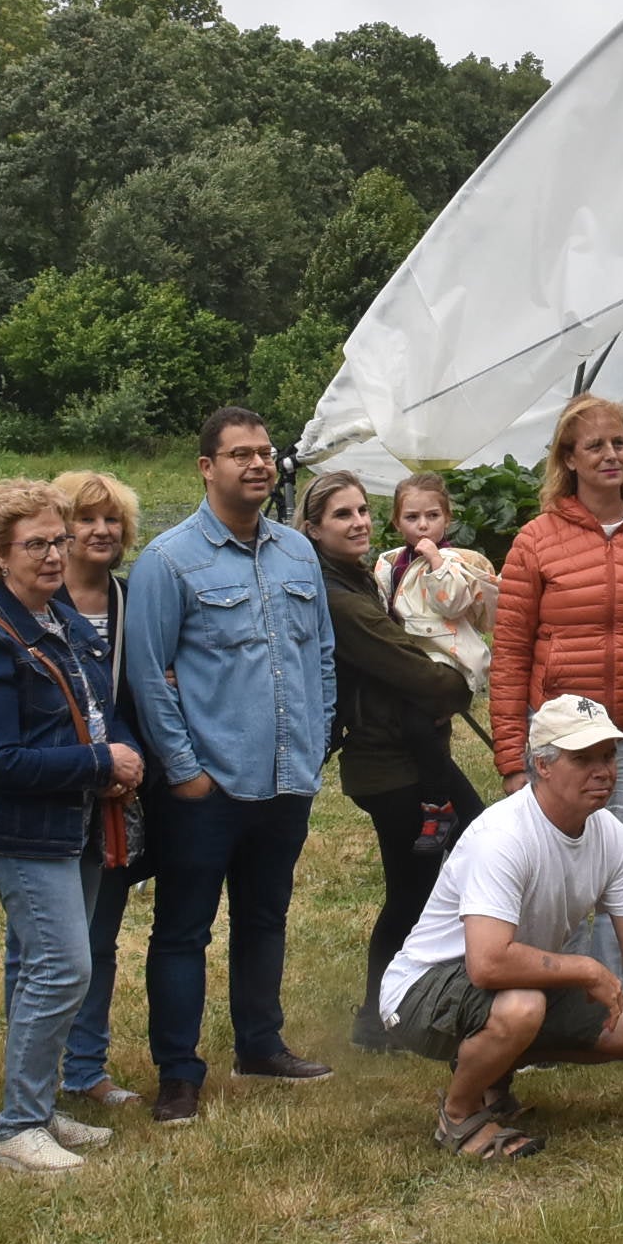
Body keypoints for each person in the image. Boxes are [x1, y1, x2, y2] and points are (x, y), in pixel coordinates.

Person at [126, 406, 339, 1126]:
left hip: (287, 777)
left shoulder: (297, 553)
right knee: (184, 929)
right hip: (206, 784)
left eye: (265, 453)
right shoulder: (168, 560)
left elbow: (322, 655)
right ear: (206, 467)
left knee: (265, 917)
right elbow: (149, 676)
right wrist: (184, 768)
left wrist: (315, 738)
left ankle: (262, 1045)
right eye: (240, 454)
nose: (257, 464)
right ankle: (179, 1074)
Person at [378, 695, 623, 1158]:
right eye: (583, 758)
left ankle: (489, 1070)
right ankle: (458, 1115)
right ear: (542, 765)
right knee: (522, 1007)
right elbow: (488, 964)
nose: (603, 770)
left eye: (609, 755)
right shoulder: (504, 836)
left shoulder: (609, 835)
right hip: (419, 992)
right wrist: (586, 970)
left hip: (510, 981)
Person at [0, 478, 144, 1174]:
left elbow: (101, 703)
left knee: (35, 966)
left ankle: (34, 1103)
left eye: (58, 539)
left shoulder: (57, 616)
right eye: (35, 543)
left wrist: (122, 754)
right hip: (26, 830)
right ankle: (19, 1128)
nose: (54, 554)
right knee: (63, 967)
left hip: (78, 818)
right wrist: (101, 761)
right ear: (0, 554)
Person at [488, 393, 623, 968]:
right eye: (595, 445)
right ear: (569, 458)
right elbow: (509, 655)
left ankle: (618, 998)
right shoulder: (535, 541)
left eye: (619, 443)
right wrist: (513, 757)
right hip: (560, 735)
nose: (610, 455)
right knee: (551, 867)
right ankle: (552, 999)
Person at [300, 470, 485, 1051]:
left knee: (429, 879)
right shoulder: (341, 598)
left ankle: (405, 1007)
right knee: (420, 884)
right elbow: (413, 671)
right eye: (341, 515)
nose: (358, 522)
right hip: (389, 764)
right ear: (313, 529)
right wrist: (456, 688)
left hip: (404, 756)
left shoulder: (362, 577)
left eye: (361, 511)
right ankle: (379, 1018)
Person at [52, 467, 148, 1109]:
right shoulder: (32, 599)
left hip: (117, 791)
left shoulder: (130, 599)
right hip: (54, 788)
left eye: (111, 519)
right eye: (85, 519)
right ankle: (35, 1070)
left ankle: (85, 1069)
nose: (101, 530)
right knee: (45, 943)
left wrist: (129, 759)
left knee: (100, 936)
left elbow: (146, 693)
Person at [378, 472, 500, 695]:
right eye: (412, 517)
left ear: (447, 518)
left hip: (450, 656)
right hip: (408, 650)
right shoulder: (392, 563)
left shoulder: (455, 560)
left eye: (433, 516)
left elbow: (452, 605)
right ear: (397, 522)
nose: (423, 525)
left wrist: (436, 561)